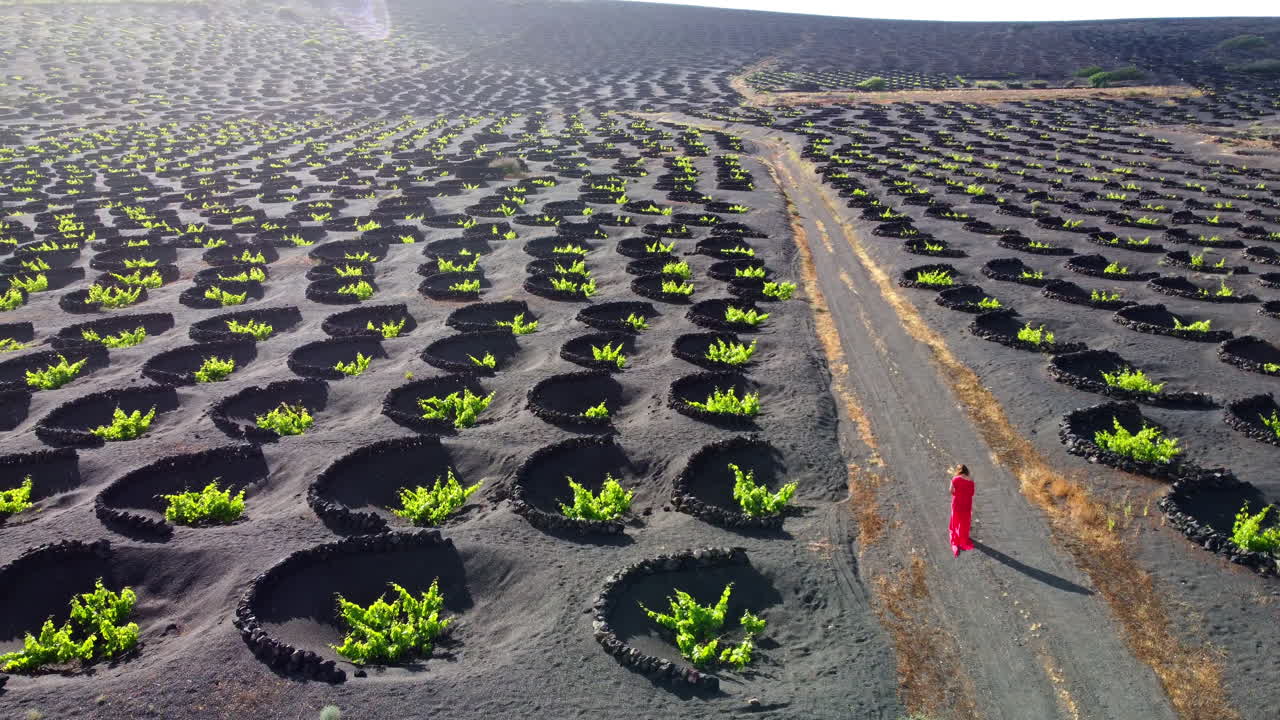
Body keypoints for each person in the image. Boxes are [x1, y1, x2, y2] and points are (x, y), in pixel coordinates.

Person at [949, 464, 975, 557]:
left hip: (957, 502)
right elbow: (972, 493)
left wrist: (956, 494)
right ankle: (963, 538)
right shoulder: (971, 481)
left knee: (955, 519)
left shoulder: (955, 479)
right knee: (964, 521)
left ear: (958, 470)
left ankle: (956, 537)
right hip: (967, 504)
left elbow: (951, 490)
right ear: (966, 471)